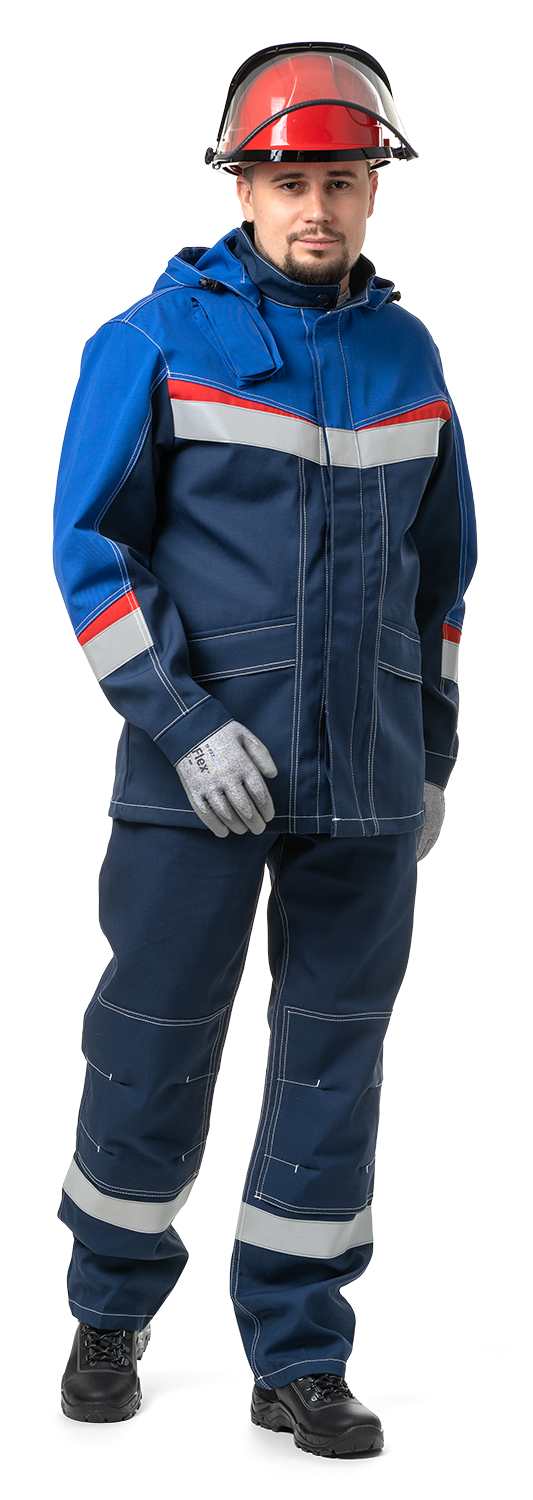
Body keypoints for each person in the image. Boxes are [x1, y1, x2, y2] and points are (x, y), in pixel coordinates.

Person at [54, 42, 477, 1455]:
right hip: (198, 782)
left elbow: (442, 579)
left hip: (365, 783)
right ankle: (108, 1319)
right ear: (239, 184)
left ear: (374, 190)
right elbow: (92, 557)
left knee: (333, 1064)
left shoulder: (408, 357)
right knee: (154, 1043)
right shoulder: (153, 342)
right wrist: (181, 725)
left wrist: (431, 754)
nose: (318, 207)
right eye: (291, 181)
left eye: (343, 181)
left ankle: (299, 1361)